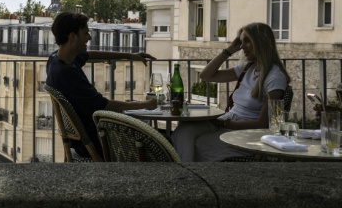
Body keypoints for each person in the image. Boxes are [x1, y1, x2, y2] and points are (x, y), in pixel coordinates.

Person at [171, 22, 289, 161]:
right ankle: (184, 172)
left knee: (201, 144)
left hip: (246, 131)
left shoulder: (275, 77)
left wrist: (226, 124)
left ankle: (190, 175)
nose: (241, 46)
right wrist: (228, 51)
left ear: (261, 42)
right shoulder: (248, 68)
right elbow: (206, 76)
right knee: (184, 130)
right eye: (240, 41)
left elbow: (263, 124)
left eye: (247, 41)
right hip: (228, 120)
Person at [46, 11, 156, 159]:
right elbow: (105, 105)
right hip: (101, 142)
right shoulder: (67, 74)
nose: (89, 38)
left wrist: (129, 55)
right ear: (72, 37)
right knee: (163, 141)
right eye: (86, 33)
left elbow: (90, 55)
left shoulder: (56, 60)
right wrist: (145, 104)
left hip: (84, 140)